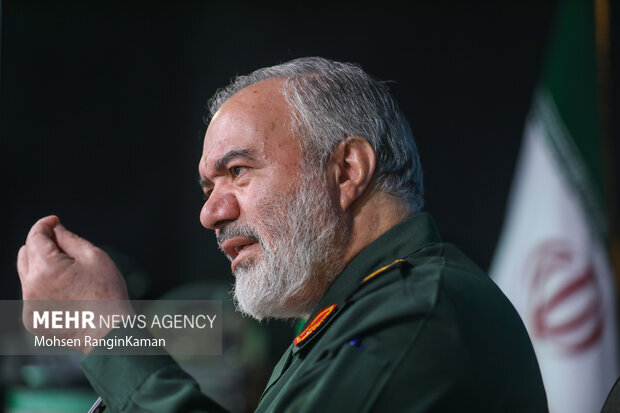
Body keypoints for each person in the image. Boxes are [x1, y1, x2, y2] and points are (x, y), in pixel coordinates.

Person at [17, 57, 548, 412]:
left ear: (347, 171)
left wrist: (106, 333)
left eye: (238, 171)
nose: (210, 213)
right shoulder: (361, 312)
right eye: (208, 186)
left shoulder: (419, 315)